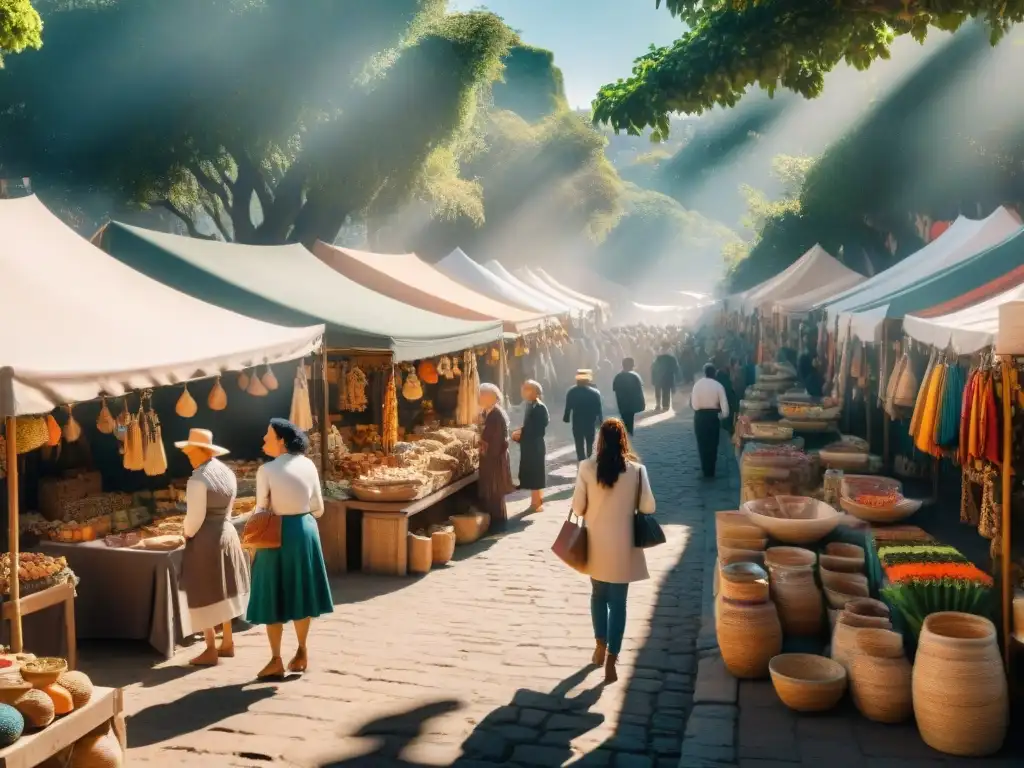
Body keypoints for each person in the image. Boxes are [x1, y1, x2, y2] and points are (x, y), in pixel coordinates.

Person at [571, 418, 656, 684]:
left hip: (596, 543)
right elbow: (649, 508)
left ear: (599, 440)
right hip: (623, 544)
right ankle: (611, 659)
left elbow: (577, 508)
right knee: (619, 603)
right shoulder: (637, 471)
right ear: (623, 441)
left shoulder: (586, 468)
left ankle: (599, 644)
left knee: (598, 595)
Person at [247, 418, 333, 679]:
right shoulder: (308, 464)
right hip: (305, 530)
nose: (263, 440)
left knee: (273, 593)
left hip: (276, 532)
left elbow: (261, 508)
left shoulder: (267, 471)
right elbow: (318, 508)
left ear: (281, 440)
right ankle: (302, 650)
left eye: (267, 436)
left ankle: (275, 659)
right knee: (301, 590)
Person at [176, 428, 250, 667]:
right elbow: (228, 509)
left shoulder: (198, 479)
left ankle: (210, 648)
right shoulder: (226, 472)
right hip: (226, 533)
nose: (187, 454)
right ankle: (227, 642)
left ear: (202, 451)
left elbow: (195, 518)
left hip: (206, 539)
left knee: (204, 591)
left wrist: (185, 533)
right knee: (223, 589)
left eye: (190, 450)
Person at [478, 383, 514, 531]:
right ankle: (497, 522)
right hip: (495, 456)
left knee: (494, 491)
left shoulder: (495, 415)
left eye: (482, 395)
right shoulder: (491, 412)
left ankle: (497, 524)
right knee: (495, 492)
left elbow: (497, 439)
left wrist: (486, 454)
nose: (479, 398)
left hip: (495, 458)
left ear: (490, 397)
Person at [512, 380, 548, 513]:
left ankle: (537, 502)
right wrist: (520, 431)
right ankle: (535, 501)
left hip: (535, 445)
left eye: (526, 389)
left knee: (536, 474)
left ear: (533, 392)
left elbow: (538, 429)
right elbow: (528, 426)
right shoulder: (530, 406)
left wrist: (522, 435)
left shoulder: (539, 407)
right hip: (529, 444)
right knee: (532, 474)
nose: (523, 392)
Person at [690, 364, 730, 479]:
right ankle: (711, 470)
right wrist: (721, 416)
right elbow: (725, 409)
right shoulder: (718, 386)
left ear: (704, 373)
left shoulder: (697, 385)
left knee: (702, 443)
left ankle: (704, 469)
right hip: (713, 417)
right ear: (714, 374)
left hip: (700, 416)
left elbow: (694, 404)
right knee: (713, 444)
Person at [564, 369, 604, 461]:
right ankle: (590, 458)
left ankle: (581, 459)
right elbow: (598, 409)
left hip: (577, 421)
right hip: (590, 421)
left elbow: (568, 407)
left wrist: (566, 417)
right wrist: (600, 421)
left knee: (579, 442)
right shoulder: (595, 393)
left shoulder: (571, 392)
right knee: (590, 441)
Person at [612, 358, 646, 436]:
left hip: (622, 403)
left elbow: (614, 390)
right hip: (632, 404)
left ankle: (626, 432)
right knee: (630, 418)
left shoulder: (618, 377)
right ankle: (628, 433)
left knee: (624, 417)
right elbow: (639, 391)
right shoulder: (635, 376)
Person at [651, 345, 680, 412]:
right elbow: (676, 368)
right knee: (666, 392)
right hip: (668, 378)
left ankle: (658, 404)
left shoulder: (658, 358)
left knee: (658, 392)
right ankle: (665, 406)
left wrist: (653, 379)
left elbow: (653, 368)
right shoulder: (672, 358)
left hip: (658, 378)